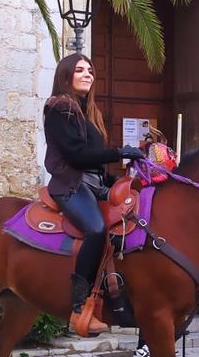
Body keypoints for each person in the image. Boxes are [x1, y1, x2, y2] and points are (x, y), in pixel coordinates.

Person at [43, 54, 144, 332]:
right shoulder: (59, 107)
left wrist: (123, 179)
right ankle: (78, 307)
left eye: (90, 70)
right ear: (65, 76)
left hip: (93, 185)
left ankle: (119, 297)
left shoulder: (88, 113)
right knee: (97, 229)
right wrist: (120, 151)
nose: (87, 74)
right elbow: (76, 155)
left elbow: (95, 165)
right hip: (70, 186)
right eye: (79, 70)